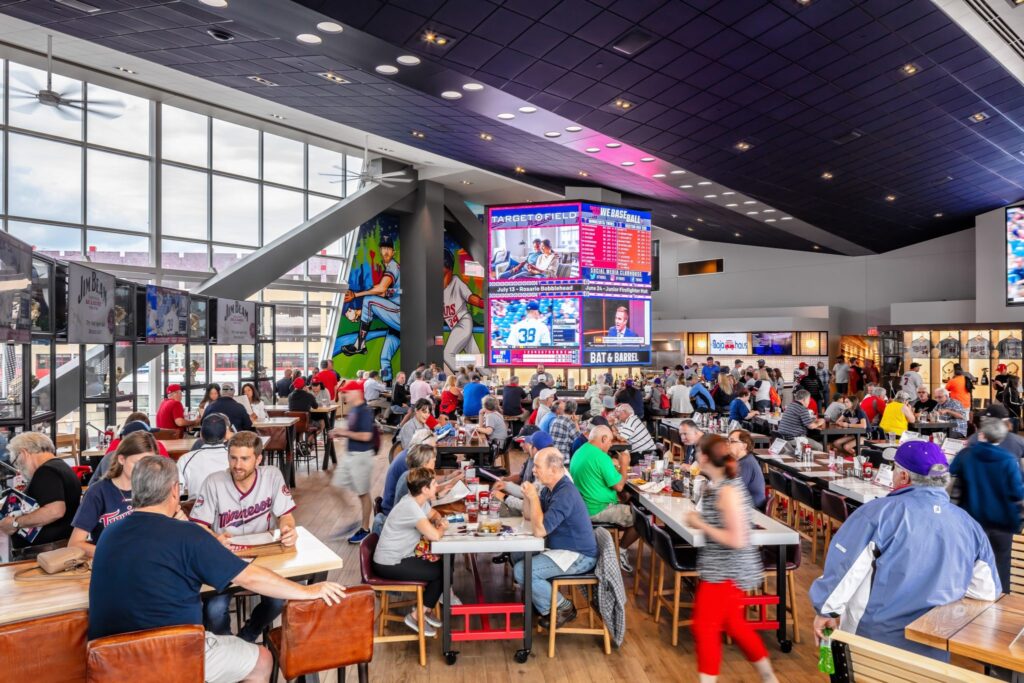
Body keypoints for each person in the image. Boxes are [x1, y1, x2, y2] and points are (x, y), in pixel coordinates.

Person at [88, 455, 346, 683]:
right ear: (174, 490)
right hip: (174, 656)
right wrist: (309, 590)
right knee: (262, 660)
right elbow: (250, 578)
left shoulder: (109, 534)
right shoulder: (188, 535)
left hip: (111, 661)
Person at [810, 441, 1000, 659]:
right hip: (934, 653)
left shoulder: (877, 515)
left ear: (903, 476)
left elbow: (845, 570)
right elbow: (986, 591)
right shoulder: (969, 525)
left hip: (873, 645)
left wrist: (826, 610)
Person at [686, 435, 778, 683]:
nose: (695, 456)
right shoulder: (718, 484)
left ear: (705, 457)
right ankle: (768, 676)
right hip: (721, 568)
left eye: (697, 451)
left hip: (727, 570)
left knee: (704, 628)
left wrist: (701, 524)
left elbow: (737, 539)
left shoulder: (727, 490)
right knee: (734, 624)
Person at [191, 432, 297, 643]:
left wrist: (288, 529)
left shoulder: (272, 475)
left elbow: (286, 515)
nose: (237, 465)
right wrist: (214, 538)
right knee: (214, 609)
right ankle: (228, 649)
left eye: (244, 459)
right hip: (226, 557)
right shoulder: (213, 482)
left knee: (277, 600)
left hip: (263, 556)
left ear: (258, 459)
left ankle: (246, 638)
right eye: (233, 458)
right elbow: (198, 526)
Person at [514, 448, 599, 628]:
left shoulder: (565, 493)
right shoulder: (550, 489)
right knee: (517, 554)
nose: (533, 470)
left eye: (537, 466)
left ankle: (563, 606)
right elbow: (529, 516)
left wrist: (534, 498)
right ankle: (539, 599)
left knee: (522, 571)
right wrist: (528, 497)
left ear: (553, 469)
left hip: (579, 556)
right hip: (562, 549)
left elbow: (540, 530)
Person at [373, 466, 450, 636]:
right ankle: (416, 616)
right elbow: (435, 536)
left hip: (399, 557)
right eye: (434, 483)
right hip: (389, 563)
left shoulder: (416, 501)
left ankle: (424, 609)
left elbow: (434, 514)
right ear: (425, 489)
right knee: (442, 570)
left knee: (444, 565)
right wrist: (442, 527)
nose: (437, 485)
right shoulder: (411, 508)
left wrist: (437, 521)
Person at [950, 417, 1024, 592]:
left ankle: (969, 596)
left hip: (971, 520)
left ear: (981, 434)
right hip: (1002, 522)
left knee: (970, 561)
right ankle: (1000, 595)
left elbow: (951, 473)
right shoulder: (1008, 459)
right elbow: (1017, 492)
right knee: (1002, 563)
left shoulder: (966, 455)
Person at [70, 432, 159, 558]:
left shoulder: (154, 489)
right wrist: (118, 555)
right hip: (110, 560)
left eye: (148, 465)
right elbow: (75, 544)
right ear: (121, 459)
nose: (142, 470)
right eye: (137, 463)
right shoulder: (98, 492)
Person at [568, 425, 637, 572]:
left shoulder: (580, 451)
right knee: (641, 519)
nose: (611, 445)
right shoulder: (601, 457)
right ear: (604, 439)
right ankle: (620, 552)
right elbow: (619, 486)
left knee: (628, 497)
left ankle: (613, 546)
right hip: (597, 508)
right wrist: (624, 465)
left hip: (582, 507)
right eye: (610, 441)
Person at [0, 433, 81, 552]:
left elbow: (55, 511)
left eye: (16, 462)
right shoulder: (61, 466)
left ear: (24, 453)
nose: (19, 468)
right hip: (58, 546)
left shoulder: (46, 471)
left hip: (46, 551)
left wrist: (15, 523)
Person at [331, 380, 377, 544]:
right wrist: (341, 432)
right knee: (335, 487)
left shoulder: (364, 411)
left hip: (361, 457)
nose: (344, 395)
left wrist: (344, 433)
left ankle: (364, 529)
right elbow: (354, 432)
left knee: (363, 493)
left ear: (357, 393)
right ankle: (351, 519)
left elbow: (366, 436)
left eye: (347, 392)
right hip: (351, 455)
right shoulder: (354, 410)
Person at [381, 429, 437, 517]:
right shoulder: (409, 468)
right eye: (430, 449)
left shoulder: (410, 458)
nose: (434, 452)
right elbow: (417, 511)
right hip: (392, 511)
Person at [177, 413, 234, 498]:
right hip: (230, 506)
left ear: (201, 435)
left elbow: (176, 491)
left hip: (197, 506)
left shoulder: (185, 459)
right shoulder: (235, 458)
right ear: (226, 435)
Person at [727, 430, 766, 510]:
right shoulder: (743, 460)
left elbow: (733, 491)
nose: (728, 444)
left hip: (752, 509)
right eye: (728, 441)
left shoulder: (746, 463)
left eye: (732, 441)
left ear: (744, 446)